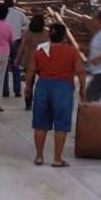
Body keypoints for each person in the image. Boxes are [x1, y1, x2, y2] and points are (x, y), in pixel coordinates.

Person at [24, 24, 86, 167]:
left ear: (49, 36)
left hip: (43, 86)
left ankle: (39, 157)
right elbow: (81, 71)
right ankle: (57, 159)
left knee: (40, 124)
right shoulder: (72, 51)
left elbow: (31, 70)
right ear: (64, 37)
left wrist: (28, 86)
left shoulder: (39, 52)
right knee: (61, 124)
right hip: (63, 88)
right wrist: (83, 88)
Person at [16, 14, 47, 109]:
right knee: (43, 83)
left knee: (29, 83)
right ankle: (42, 102)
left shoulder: (27, 32)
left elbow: (22, 46)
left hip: (29, 60)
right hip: (42, 61)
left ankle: (28, 103)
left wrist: (17, 58)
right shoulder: (46, 33)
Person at [2, 0, 28, 99]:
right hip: (16, 41)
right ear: (13, 4)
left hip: (5, 41)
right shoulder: (20, 13)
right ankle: (17, 91)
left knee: (4, 66)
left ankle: (5, 91)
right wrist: (22, 32)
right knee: (16, 66)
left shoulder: (3, 14)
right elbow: (27, 24)